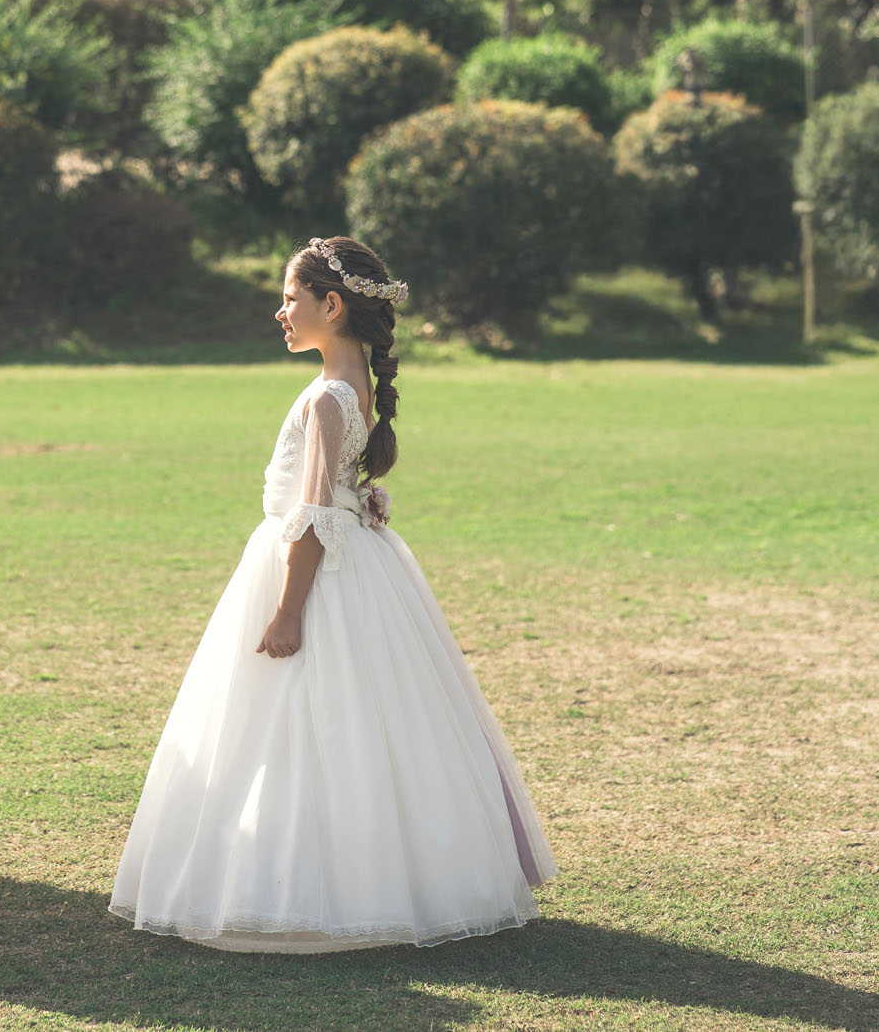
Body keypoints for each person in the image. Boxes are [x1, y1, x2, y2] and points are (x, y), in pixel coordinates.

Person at [110, 236, 556, 952]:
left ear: (332, 303)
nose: (280, 310)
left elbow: (313, 515)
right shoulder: (357, 388)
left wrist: (288, 610)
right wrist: (364, 500)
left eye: (291, 298)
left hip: (312, 572)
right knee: (367, 725)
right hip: (364, 571)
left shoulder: (327, 398)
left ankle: (309, 889)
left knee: (292, 724)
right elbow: (341, 493)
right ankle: (395, 873)